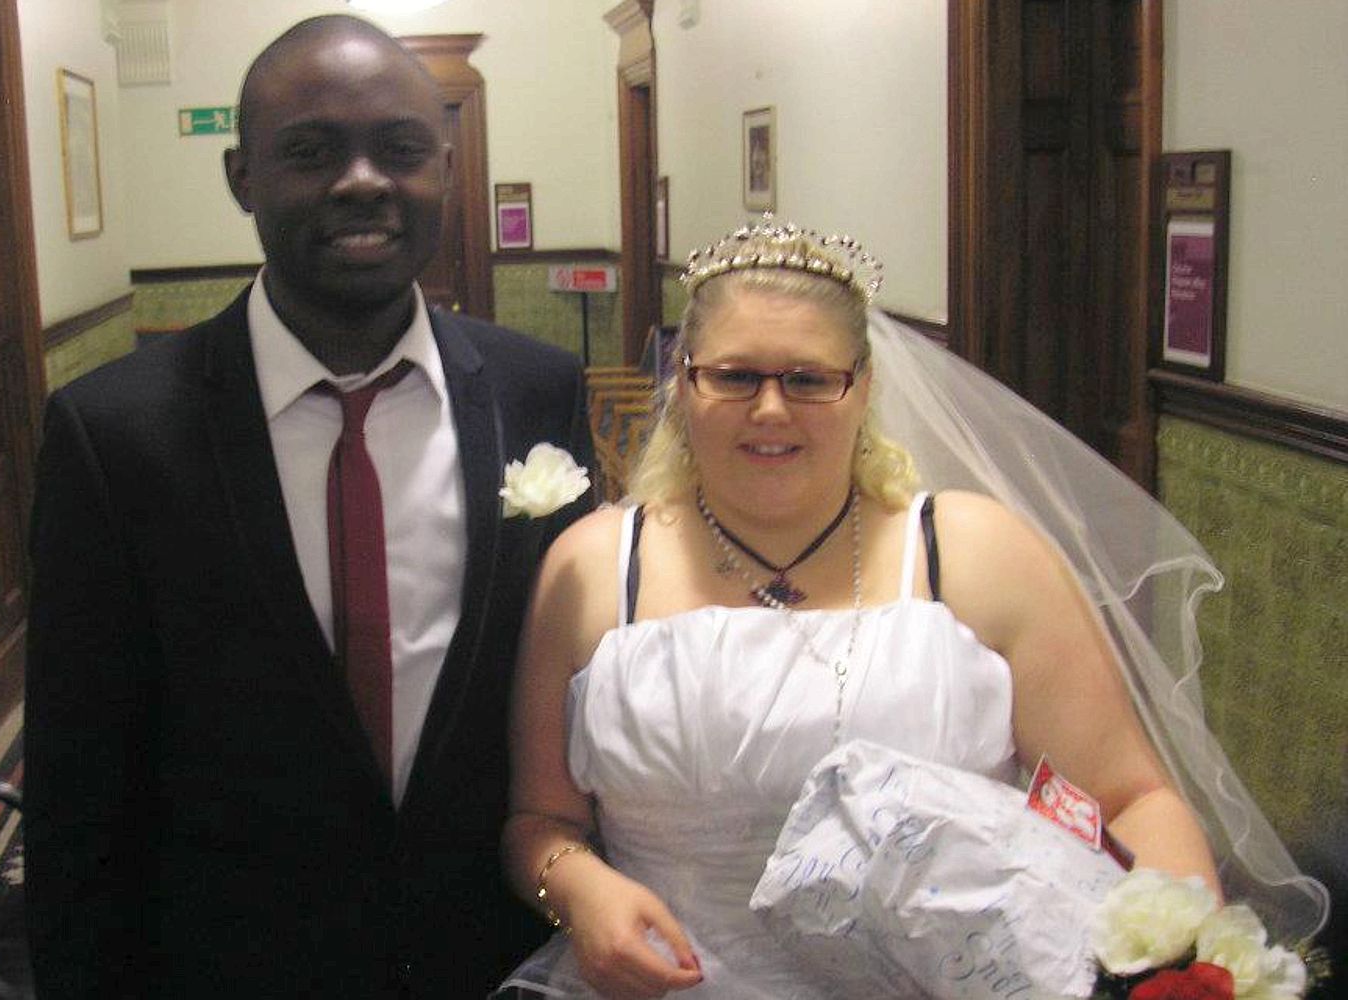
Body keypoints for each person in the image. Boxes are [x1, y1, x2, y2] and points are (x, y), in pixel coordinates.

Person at [499, 217, 1327, 998]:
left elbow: (1128, 799)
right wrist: (578, 889)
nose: (772, 408)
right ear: (685, 383)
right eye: (736, 376)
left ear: (863, 388)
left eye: (810, 379)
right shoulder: (595, 565)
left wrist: (1171, 971)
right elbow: (538, 821)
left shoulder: (973, 553)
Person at [24, 15, 594, 999]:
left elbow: (578, 700)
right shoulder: (114, 432)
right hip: (233, 960)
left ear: (446, 170)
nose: (364, 179)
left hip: (495, 958)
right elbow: (79, 788)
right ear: (244, 177)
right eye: (312, 150)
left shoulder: (537, 391)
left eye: (401, 150)